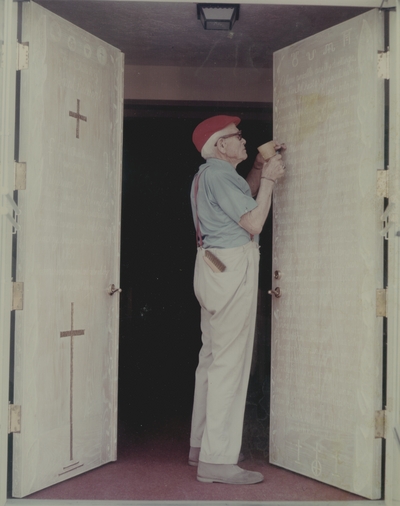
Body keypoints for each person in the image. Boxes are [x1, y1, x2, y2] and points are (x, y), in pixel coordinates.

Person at [188, 115, 286, 485]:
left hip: (212, 267)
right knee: (230, 364)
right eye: (236, 136)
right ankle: (217, 460)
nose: (243, 141)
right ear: (218, 146)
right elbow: (253, 223)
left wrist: (260, 167)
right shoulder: (217, 174)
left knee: (211, 359)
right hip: (231, 268)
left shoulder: (213, 174)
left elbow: (241, 199)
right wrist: (272, 181)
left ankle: (201, 446)